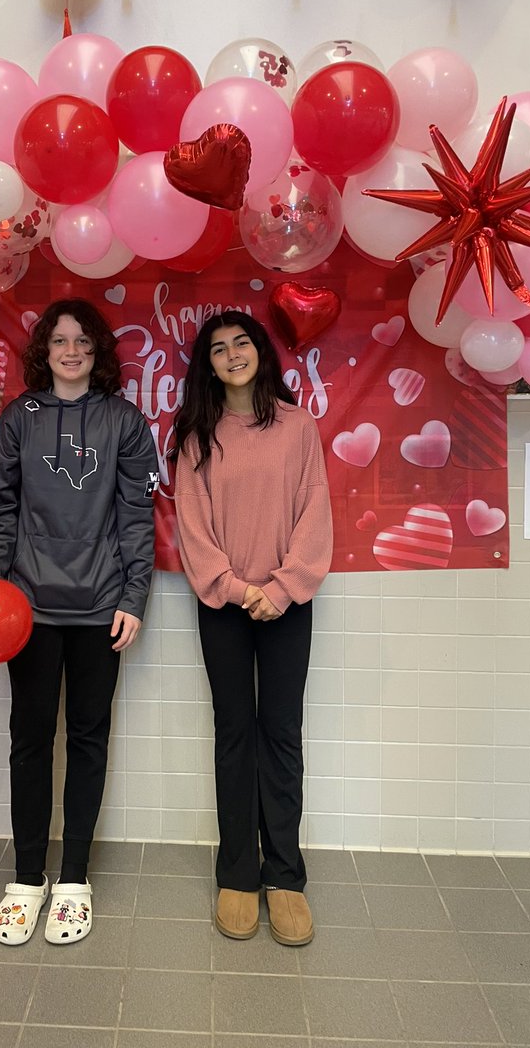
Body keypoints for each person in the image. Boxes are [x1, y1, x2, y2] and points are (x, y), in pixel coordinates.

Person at [0, 297, 158, 946]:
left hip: (99, 611)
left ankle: (74, 881)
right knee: (28, 742)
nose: (72, 349)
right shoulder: (18, 420)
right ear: (44, 350)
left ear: (99, 350)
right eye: (60, 340)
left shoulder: (124, 421)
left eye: (83, 339)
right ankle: (28, 880)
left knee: (88, 740)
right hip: (26, 612)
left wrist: (133, 598)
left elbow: (136, 519)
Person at [172, 310, 333, 947]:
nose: (232, 354)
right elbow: (193, 527)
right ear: (207, 364)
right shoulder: (197, 434)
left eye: (242, 343)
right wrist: (239, 591)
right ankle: (238, 872)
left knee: (281, 734)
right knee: (234, 733)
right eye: (218, 348)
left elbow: (314, 511)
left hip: (288, 605)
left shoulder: (299, 427)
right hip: (224, 607)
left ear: (261, 352)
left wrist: (282, 589)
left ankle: (286, 877)